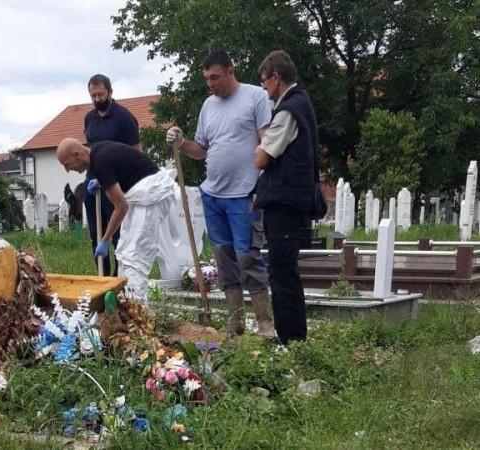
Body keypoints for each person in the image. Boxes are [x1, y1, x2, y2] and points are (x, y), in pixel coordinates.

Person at [166, 50, 275, 339]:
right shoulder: (208, 106)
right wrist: (181, 141)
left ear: (230, 70)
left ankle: (265, 324)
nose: (210, 84)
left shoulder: (255, 97)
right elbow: (201, 150)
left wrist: (263, 184)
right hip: (213, 195)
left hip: (244, 194)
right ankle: (236, 326)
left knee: (247, 257)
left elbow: (267, 141)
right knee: (224, 260)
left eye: (215, 77)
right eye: (206, 79)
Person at [57, 138, 175, 300]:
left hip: (151, 195)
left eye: (67, 164)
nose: (67, 170)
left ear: (77, 154)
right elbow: (122, 167)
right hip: (140, 195)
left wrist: (105, 239)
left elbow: (121, 207)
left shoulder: (100, 162)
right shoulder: (97, 153)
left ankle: (138, 311)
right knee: (123, 252)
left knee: (135, 255)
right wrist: (104, 181)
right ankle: (125, 302)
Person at [253, 50, 318, 345]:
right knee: (285, 271)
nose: (265, 90)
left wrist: (260, 146)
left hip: (285, 202)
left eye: (265, 83)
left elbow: (262, 158)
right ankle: (294, 337)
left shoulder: (288, 110)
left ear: (276, 78)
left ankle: (291, 340)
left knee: (281, 274)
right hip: (293, 201)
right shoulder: (301, 103)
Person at [82, 74, 141, 276]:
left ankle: (120, 279)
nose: (97, 99)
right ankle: (102, 277)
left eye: (100, 94)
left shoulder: (124, 118)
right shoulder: (89, 119)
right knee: (96, 234)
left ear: (110, 92)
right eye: (93, 95)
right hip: (93, 183)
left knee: (117, 235)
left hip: (116, 184)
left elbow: (136, 154)